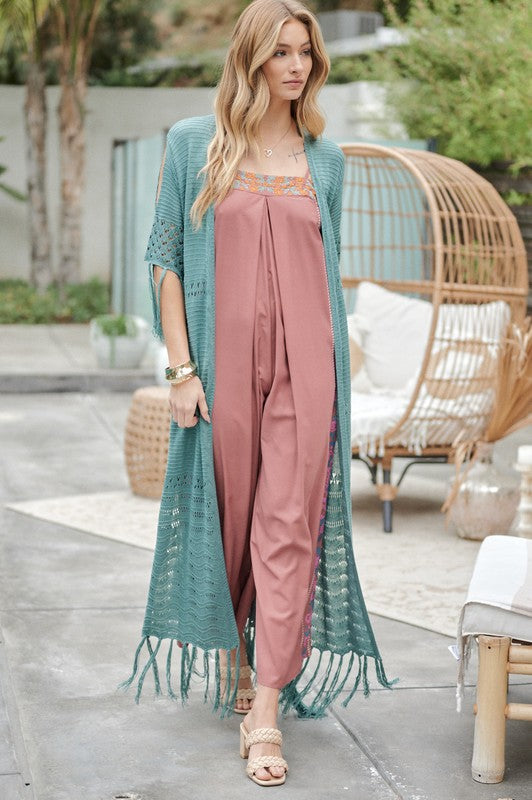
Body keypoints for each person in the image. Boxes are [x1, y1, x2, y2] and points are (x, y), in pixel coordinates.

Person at [118, 0, 395, 787]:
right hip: (222, 371)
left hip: (309, 369)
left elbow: (323, 270)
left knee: (287, 531)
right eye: (280, 53)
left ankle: (266, 711)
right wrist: (182, 368)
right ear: (250, 59)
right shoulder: (193, 145)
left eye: (305, 52)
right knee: (231, 526)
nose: (296, 66)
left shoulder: (326, 159)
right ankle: (244, 667)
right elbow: (165, 258)